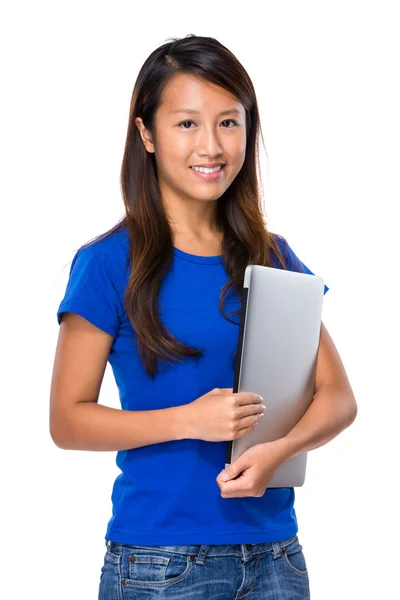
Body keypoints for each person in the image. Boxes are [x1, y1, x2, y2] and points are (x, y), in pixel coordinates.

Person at [50, 34, 357, 600]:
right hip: (159, 564)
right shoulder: (107, 264)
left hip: (276, 559)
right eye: (186, 124)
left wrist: (279, 451)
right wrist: (188, 420)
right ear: (146, 133)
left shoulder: (273, 256)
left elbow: (338, 396)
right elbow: (67, 421)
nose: (211, 146)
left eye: (229, 122)